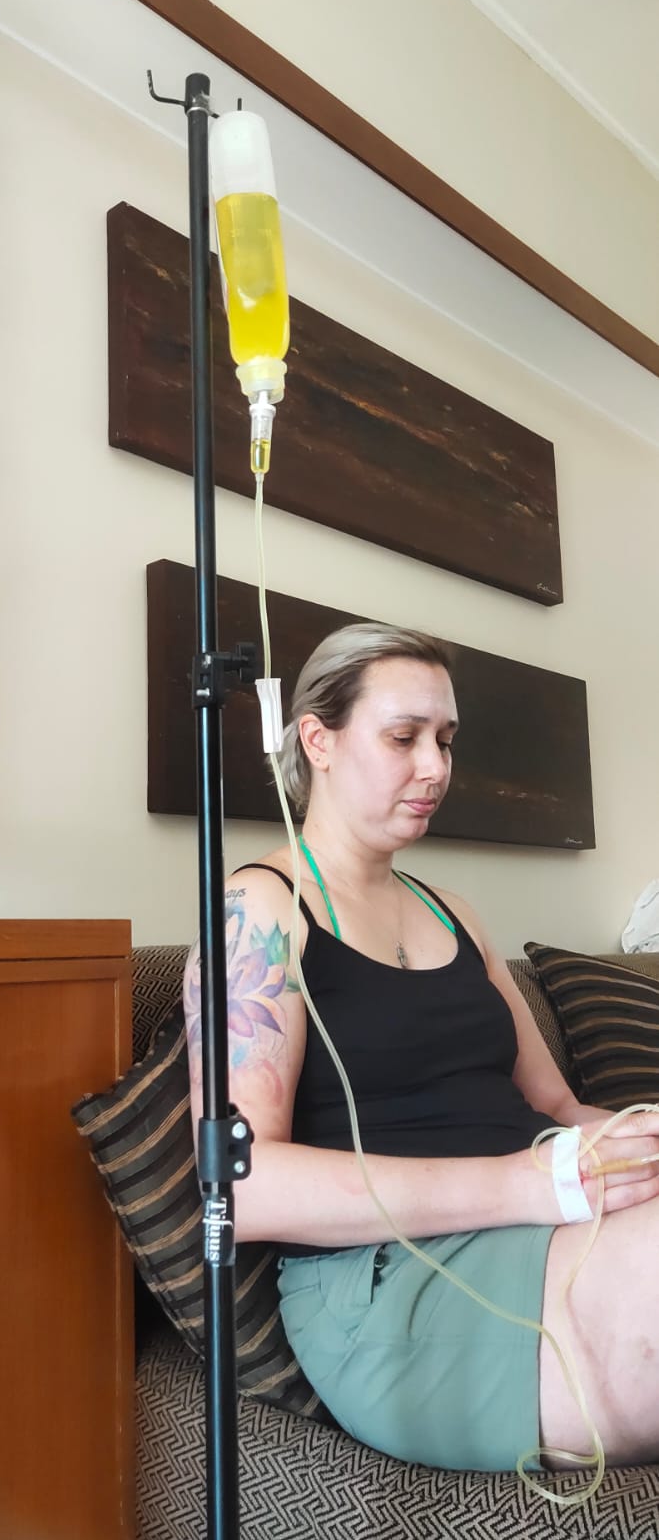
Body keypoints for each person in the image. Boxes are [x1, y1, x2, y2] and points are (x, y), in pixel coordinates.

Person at [183, 622, 659, 1474]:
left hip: (538, 1218)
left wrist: (633, 1141)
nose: (435, 766)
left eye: (444, 739)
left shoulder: (452, 912)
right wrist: (529, 1183)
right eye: (403, 737)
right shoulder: (257, 913)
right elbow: (241, 1186)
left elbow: (555, 1106)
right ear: (317, 740)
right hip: (392, 1283)